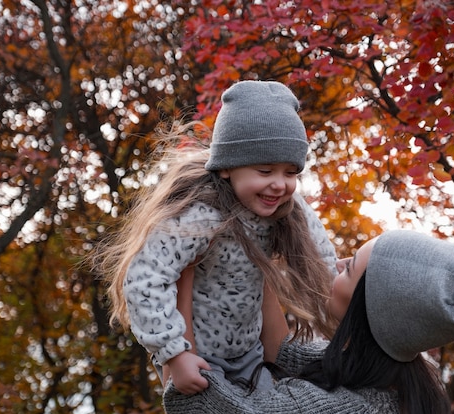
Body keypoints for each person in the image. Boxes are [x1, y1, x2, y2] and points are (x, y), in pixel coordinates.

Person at [93, 80, 338, 395]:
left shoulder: (288, 209)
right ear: (227, 168)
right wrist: (175, 353)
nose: (280, 184)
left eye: (290, 173)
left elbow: (323, 262)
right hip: (196, 354)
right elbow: (146, 278)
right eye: (266, 171)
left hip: (250, 352)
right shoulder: (202, 214)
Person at [163, 230, 454, 414]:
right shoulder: (402, 378)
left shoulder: (349, 411)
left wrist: (185, 274)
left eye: (350, 268)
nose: (338, 263)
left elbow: (202, 405)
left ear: (367, 311)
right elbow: (282, 350)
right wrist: (258, 264)